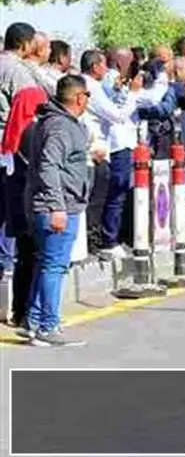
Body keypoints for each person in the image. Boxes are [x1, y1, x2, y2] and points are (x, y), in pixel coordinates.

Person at [23, 74, 92, 347]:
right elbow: (48, 166)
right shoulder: (61, 127)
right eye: (87, 95)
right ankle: (47, 326)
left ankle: (35, 321)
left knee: (47, 264)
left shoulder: (55, 123)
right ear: (78, 97)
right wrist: (57, 206)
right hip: (57, 206)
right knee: (54, 266)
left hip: (57, 203)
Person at [79, 50, 142, 259]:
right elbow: (117, 116)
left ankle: (96, 240)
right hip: (100, 147)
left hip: (100, 145)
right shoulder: (94, 86)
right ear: (96, 66)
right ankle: (102, 241)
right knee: (102, 197)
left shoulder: (92, 84)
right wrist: (133, 93)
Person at [2, 86, 48, 335]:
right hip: (31, 203)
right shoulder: (33, 131)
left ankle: (19, 311)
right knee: (34, 259)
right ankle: (28, 312)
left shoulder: (15, 130)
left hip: (16, 203)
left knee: (24, 259)